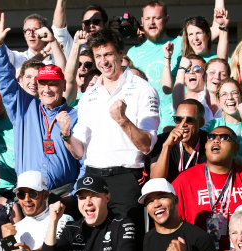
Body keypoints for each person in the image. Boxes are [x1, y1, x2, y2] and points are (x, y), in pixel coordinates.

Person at [64, 28, 160, 223]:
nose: (103, 61)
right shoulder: (89, 95)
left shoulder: (143, 89)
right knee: (94, 243)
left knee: (126, 246)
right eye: (98, 56)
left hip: (126, 178)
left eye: (108, 54)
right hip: (93, 176)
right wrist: (66, 135)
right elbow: (80, 151)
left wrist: (123, 120)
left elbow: (147, 145)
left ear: (120, 53)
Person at [0, 10, 81, 194]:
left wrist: (74, 194)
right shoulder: (24, 108)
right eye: (42, 84)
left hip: (65, 194)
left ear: (63, 85)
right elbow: (5, 82)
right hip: (28, 194)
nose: (47, 89)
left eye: (53, 84)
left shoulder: (76, 115)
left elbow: (85, 159)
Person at [172, 126, 242, 250]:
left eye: (224, 137)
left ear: (236, 148)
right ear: (205, 146)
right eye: (211, 137)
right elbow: (172, 224)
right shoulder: (185, 180)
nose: (216, 140)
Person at [127, 1, 182, 131]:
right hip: (144, 123)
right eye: (147, 18)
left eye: (156, 18)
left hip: (175, 122)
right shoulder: (133, 52)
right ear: (142, 21)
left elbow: (208, 35)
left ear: (166, 19)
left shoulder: (180, 43)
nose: (151, 22)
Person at [203, 78, 242, 168]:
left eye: (234, 93)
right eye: (224, 94)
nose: (230, 97)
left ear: (241, 97)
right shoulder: (213, 125)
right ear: (219, 101)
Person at [150, 99, 206, 182]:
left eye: (189, 120)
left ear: (201, 123)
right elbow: (156, 180)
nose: (183, 125)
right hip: (170, 193)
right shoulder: (162, 140)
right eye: (178, 119)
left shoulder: (209, 142)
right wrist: (167, 146)